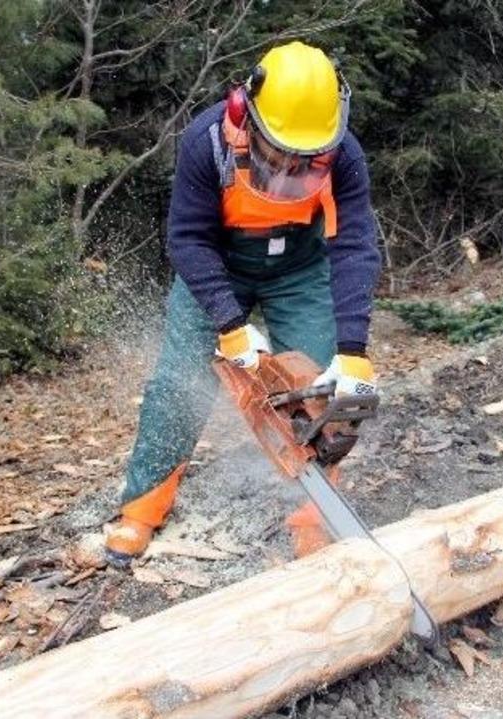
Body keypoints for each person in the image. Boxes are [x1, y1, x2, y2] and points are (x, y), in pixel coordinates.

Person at [105, 41, 382, 567]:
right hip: (215, 268)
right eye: (279, 159)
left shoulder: (343, 154)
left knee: (319, 388)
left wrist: (352, 351)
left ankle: (317, 517)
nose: (291, 174)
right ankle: (141, 509)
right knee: (176, 385)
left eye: (306, 163)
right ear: (245, 115)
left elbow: (354, 245)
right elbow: (187, 238)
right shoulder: (205, 142)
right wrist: (230, 324)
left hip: (298, 268)